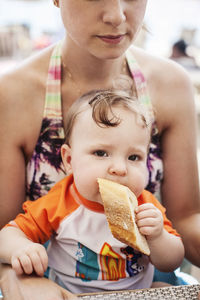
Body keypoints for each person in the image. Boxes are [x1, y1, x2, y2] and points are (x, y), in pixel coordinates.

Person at [0, 0, 199, 299]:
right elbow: (7, 230)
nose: (116, 15)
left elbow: (186, 220)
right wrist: (14, 276)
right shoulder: (12, 95)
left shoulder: (172, 84)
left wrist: (159, 236)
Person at [0, 90, 184, 294]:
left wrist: (158, 237)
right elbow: (7, 234)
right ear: (69, 160)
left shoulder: (144, 205)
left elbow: (171, 261)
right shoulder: (60, 202)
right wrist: (21, 248)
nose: (120, 168)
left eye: (134, 157)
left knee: (164, 286)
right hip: (69, 292)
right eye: (101, 153)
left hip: (136, 292)